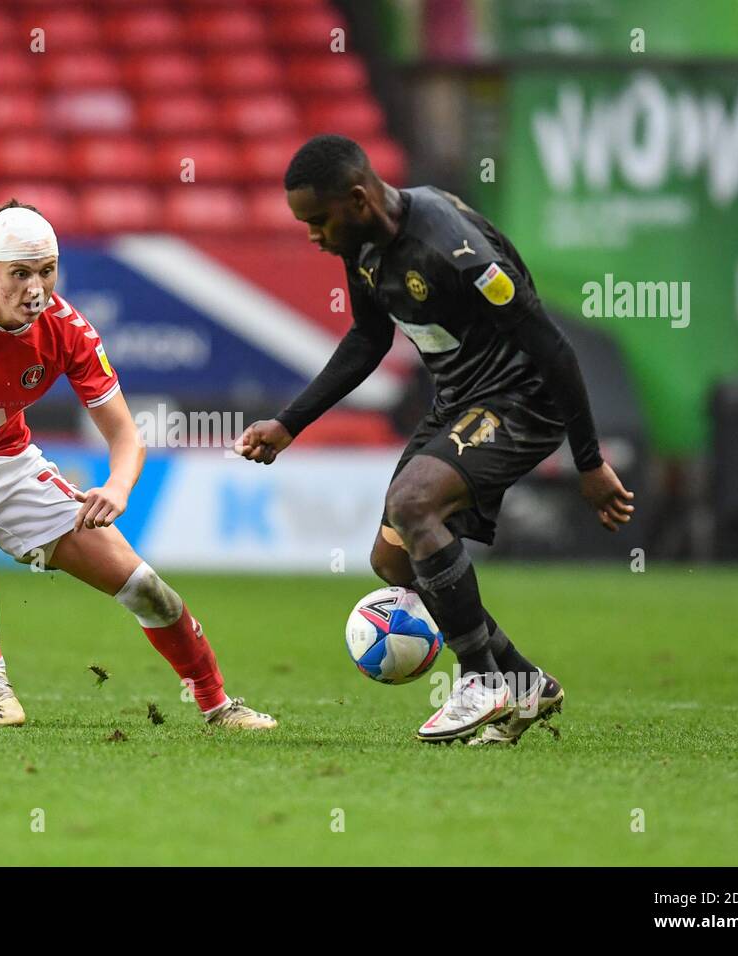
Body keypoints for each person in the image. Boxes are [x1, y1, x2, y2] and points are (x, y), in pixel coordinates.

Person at [235, 134, 635, 744]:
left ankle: (481, 682)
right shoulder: (363, 243)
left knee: (414, 504)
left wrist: (588, 461)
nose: (313, 236)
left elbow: (554, 347)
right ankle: (524, 683)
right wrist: (290, 422)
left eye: (318, 221)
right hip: (459, 402)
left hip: (521, 401)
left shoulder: (452, 248)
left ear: (358, 198)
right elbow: (369, 339)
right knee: (392, 560)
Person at [0, 200, 276, 730]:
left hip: (11, 462)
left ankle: (218, 706)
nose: (36, 288)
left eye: (47, 271)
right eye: (19, 274)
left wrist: (118, 487)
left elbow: (125, 434)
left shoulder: (67, 329)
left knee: (146, 588)